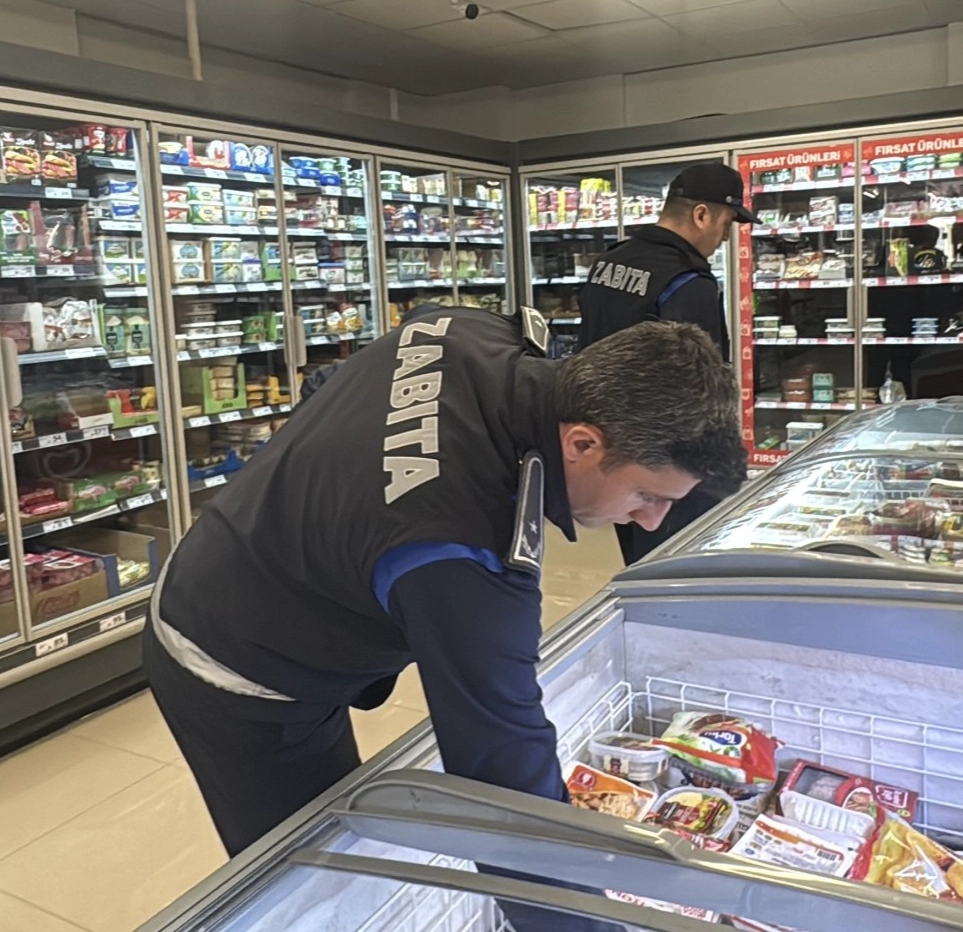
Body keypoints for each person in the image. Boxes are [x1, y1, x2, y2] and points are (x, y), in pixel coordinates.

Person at [143, 308, 745, 866]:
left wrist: (338, 509)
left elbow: (326, 385)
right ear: (582, 443)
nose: (651, 522)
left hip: (243, 559)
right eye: (647, 495)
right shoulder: (463, 548)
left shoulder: (466, 329)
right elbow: (506, 791)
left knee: (336, 825)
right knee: (304, 874)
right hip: (231, 655)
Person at [576, 161, 754, 565]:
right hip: (669, 459)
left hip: (612, 450)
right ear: (701, 214)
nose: (725, 237)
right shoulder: (688, 280)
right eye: (727, 223)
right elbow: (701, 386)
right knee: (680, 564)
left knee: (638, 558)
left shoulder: (608, 264)